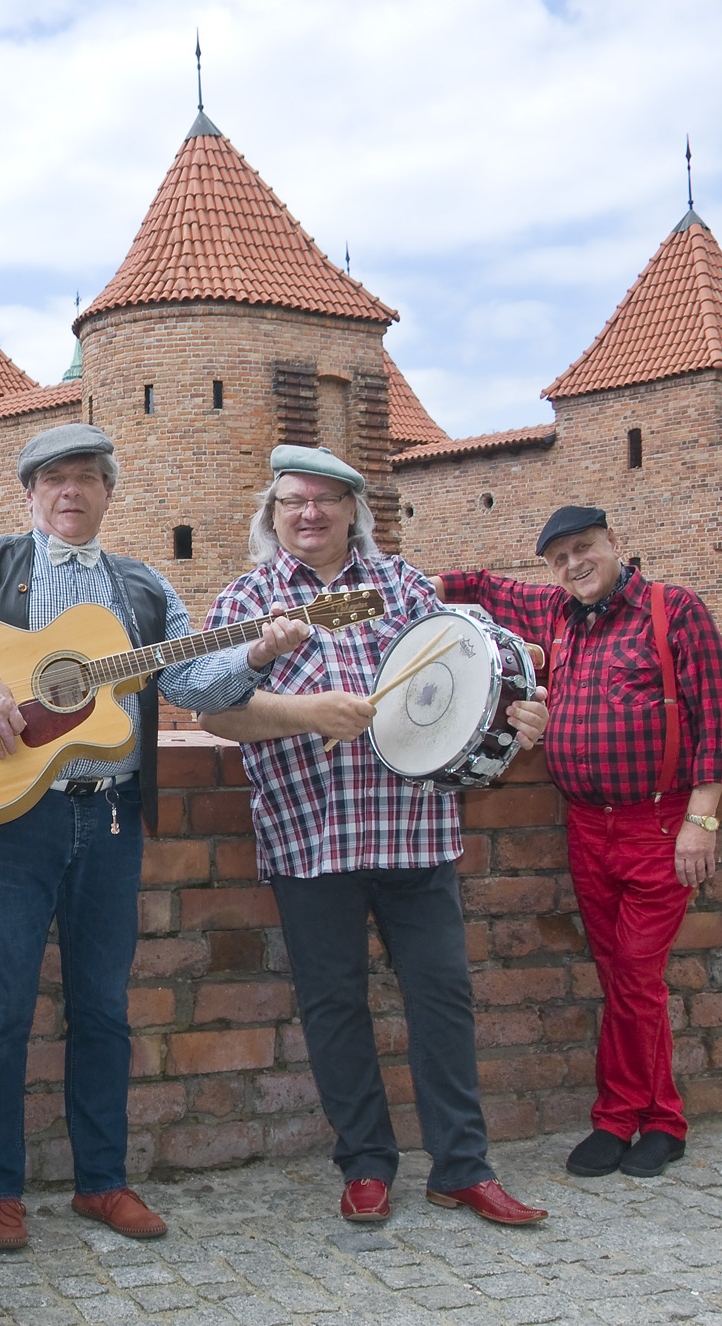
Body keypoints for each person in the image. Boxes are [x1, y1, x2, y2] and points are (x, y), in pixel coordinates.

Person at [0, 422, 273, 1252]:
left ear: (107, 493)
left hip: (112, 816)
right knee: (2, 1006)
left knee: (102, 1007)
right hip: (13, 819)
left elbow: (192, 680)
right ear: (29, 493)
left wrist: (257, 654)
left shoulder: (143, 588)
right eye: (54, 478)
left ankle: (102, 1180)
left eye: (87, 477)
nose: (70, 491)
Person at [198, 446, 550, 1227]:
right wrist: (307, 712)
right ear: (273, 513)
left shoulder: (403, 585)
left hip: (414, 827)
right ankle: (365, 1164)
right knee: (334, 1005)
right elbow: (214, 712)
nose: (309, 513)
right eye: (293, 501)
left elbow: (464, 682)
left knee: (443, 997)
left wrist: (519, 712)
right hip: (310, 833)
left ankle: (463, 1166)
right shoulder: (247, 599)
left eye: (325, 499)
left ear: (353, 510)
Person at [437, 505, 722, 1180]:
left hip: (656, 823)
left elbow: (720, 718)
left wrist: (701, 820)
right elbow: (482, 586)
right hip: (587, 826)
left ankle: (632, 1118)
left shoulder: (672, 611)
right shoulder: (556, 612)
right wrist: (405, 586)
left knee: (635, 975)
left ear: (613, 543)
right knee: (619, 975)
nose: (574, 564)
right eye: (560, 558)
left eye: (584, 548)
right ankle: (648, 1117)